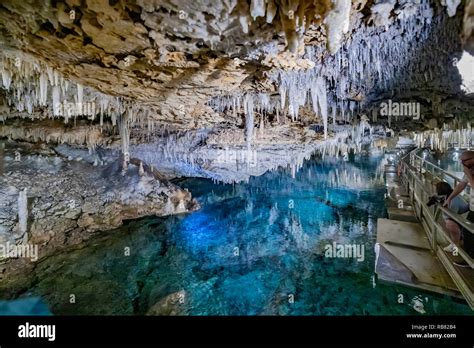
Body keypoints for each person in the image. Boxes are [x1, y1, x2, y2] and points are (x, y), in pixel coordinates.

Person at [444, 150, 474, 266]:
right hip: (472, 208)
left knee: (470, 232)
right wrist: (450, 198)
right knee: (468, 231)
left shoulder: (469, 172)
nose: (462, 164)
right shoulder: (470, 170)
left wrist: (468, 175)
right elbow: (462, 185)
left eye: (464, 161)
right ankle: (470, 259)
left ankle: (470, 259)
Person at [428, 182, 469, 252]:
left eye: (436, 189)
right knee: (448, 222)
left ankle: (455, 246)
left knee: (449, 223)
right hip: (460, 215)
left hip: (463, 217)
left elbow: (451, 216)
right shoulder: (449, 194)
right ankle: (459, 240)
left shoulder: (453, 201)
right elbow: (434, 198)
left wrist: (442, 205)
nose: (435, 190)